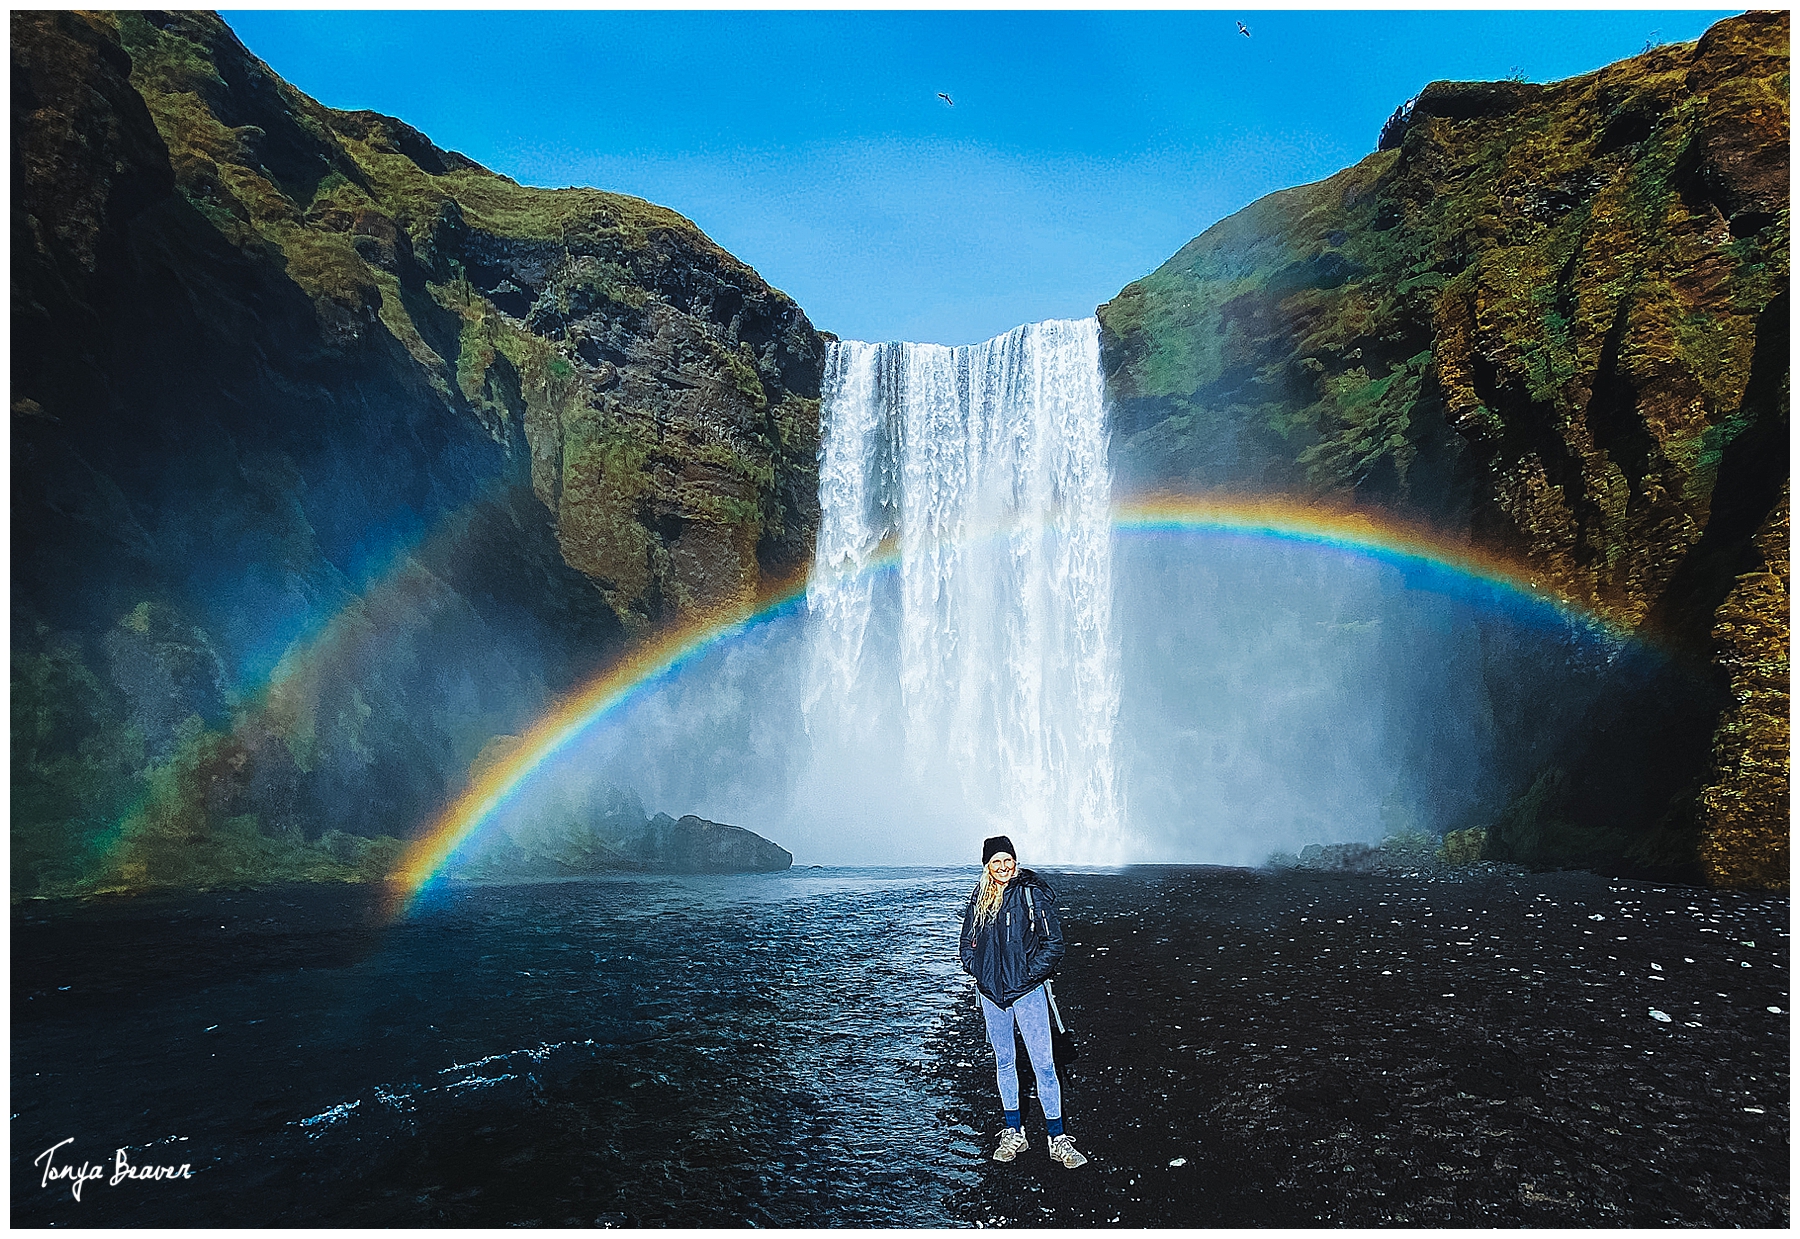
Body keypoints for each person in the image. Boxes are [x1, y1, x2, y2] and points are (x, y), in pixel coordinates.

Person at [959, 835, 1087, 1169]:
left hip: (1028, 992)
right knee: (1005, 1062)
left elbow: (1054, 944)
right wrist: (980, 972)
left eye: (1007, 859)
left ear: (1015, 860)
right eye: (995, 862)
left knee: (1044, 1065)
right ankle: (1013, 1131)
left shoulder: (1031, 894)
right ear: (986, 865)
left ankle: (1057, 1139)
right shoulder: (980, 897)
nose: (1002, 867)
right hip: (992, 995)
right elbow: (967, 944)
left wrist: (1028, 975)